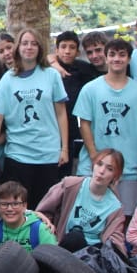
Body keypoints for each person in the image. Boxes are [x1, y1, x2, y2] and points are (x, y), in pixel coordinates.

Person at [74, 38, 137, 218]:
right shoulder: (91, 89)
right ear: (106, 57)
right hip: (94, 166)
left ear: (128, 59)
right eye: (112, 54)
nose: (116, 59)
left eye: (122, 55)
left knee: (126, 216)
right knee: (89, 215)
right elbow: (83, 122)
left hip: (129, 167)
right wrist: (94, 153)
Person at [0, 28, 69, 204]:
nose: (29, 47)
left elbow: (61, 114)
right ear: (18, 47)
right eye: (25, 43)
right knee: (17, 206)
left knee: (45, 207)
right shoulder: (8, 79)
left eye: (34, 43)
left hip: (48, 153)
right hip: (18, 154)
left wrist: (65, 148)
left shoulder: (51, 75)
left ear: (40, 48)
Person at [35, 148, 127, 255]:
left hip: (91, 256)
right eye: (99, 164)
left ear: (115, 176)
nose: (101, 171)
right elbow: (41, 213)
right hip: (62, 245)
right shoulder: (70, 185)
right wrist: (47, 224)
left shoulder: (115, 207)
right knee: (75, 237)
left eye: (109, 169)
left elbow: (115, 240)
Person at [53, 30, 102, 171]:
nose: (67, 51)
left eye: (72, 47)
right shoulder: (48, 70)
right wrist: (53, 62)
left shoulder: (85, 69)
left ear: (78, 52)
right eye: (63, 47)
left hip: (78, 129)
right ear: (56, 50)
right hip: (54, 129)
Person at [0, 181, 58, 253]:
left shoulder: (40, 229)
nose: (10, 209)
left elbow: (53, 258)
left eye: (15, 204)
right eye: (4, 204)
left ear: (24, 206)